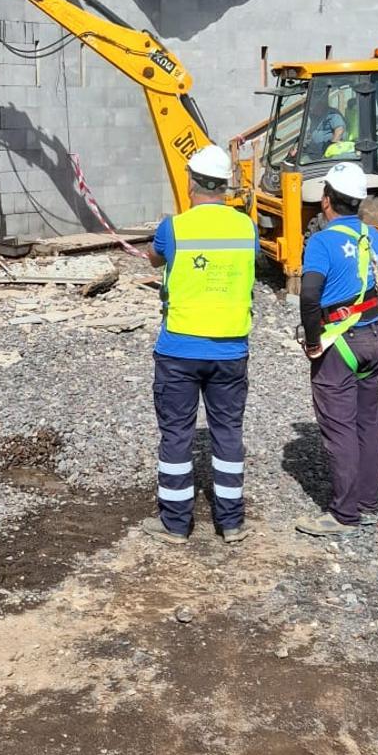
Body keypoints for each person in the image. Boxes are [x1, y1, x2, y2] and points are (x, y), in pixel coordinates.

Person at [295, 159, 378, 536]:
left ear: (326, 200)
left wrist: (313, 341)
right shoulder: (371, 236)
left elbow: (309, 295)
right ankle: (367, 503)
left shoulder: (321, 241)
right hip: (372, 338)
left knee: (339, 426)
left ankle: (344, 514)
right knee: (367, 421)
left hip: (339, 342)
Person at [148, 145, 258, 543]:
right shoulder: (247, 228)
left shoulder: (174, 228)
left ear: (191, 183)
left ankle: (175, 524)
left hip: (179, 348)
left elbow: (155, 258)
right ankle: (231, 523)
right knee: (227, 433)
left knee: (177, 434)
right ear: (225, 187)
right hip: (231, 350)